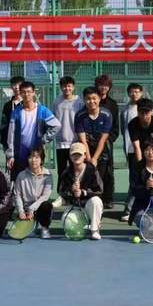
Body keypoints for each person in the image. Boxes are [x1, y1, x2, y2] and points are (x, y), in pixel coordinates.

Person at [5, 81, 60, 180]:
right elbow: (11, 134)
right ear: (20, 93)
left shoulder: (43, 110)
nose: (26, 94)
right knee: (20, 178)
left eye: (29, 92)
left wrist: (44, 139)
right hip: (20, 151)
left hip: (36, 150)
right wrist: (10, 155)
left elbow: (57, 125)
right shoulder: (16, 112)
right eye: (23, 92)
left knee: (36, 177)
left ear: (34, 92)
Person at [75, 87, 114, 215]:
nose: (91, 101)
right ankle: (83, 209)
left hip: (101, 151)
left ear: (99, 99)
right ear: (84, 100)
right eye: (88, 99)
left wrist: (95, 159)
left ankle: (98, 211)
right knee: (85, 180)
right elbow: (83, 140)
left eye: (94, 98)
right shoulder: (80, 116)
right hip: (86, 151)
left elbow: (103, 140)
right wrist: (88, 159)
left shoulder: (107, 114)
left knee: (99, 181)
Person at [59, 142, 105, 240]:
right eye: (74, 154)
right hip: (75, 206)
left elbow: (99, 190)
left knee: (96, 201)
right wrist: (71, 191)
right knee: (66, 223)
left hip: (88, 206)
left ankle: (94, 230)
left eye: (79, 154)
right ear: (70, 157)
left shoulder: (92, 170)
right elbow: (62, 192)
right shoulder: (66, 172)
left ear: (84, 156)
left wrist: (83, 192)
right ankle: (85, 223)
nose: (76, 157)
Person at [12, 148, 55, 239]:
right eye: (31, 157)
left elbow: (45, 196)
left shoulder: (48, 175)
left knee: (47, 205)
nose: (33, 160)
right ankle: (30, 224)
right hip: (25, 210)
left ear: (41, 160)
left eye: (37, 157)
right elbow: (17, 195)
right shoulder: (21, 175)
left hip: (39, 207)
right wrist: (21, 212)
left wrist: (32, 209)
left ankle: (45, 228)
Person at [53, 76, 84, 192]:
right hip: (60, 143)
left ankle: (75, 193)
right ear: (61, 87)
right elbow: (53, 119)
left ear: (73, 87)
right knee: (61, 170)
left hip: (75, 143)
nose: (67, 88)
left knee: (75, 169)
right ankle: (61, 193)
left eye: (69, 86)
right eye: (64, 86)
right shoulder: (57, 101)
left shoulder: (79, 101)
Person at [95, 74, 120, 210]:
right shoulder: (92, 100)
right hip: (92, 143)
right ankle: (94, 197)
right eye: (101, 85)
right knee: (93, 170)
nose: (103, 87)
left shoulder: (112, 104)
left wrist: (109, 139)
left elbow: (115, 127)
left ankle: (108, 198)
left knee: (108, 172)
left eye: (106, 85)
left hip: (106, 144)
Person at [0, 75, 26, 158]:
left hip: (25, 142)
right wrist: (4, 143)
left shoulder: (28, 103)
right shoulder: (8, 105)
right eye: (14, 85)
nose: (17, 87)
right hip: (10, 143)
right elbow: (4, 124)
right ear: (11, 87)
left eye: (19, 85)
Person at [120, 82, 145, 172]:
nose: (134, 94)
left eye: (136, 92)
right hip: (131, 148)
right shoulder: (124, 110)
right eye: (132, 92)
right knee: (133, 173)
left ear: (141, 93)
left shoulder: (148, 108)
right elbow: (123, 129)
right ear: (128, 94)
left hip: (145, 147)